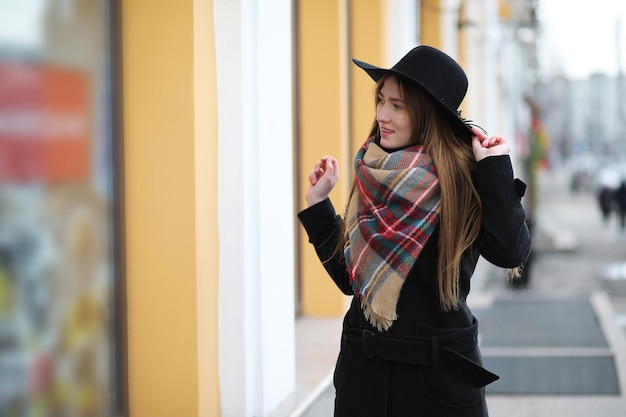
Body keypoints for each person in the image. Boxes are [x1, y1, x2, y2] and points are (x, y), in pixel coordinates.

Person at [297, 45, 531, 417]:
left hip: (438, 387)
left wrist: (496, 169)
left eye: (397, 105)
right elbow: (351, 279)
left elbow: (510, 251)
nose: (382, 115)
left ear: (426, 114)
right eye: (381, 101)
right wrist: (318, 204)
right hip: (365, 380)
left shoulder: (463, 181)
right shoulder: (373, 172)